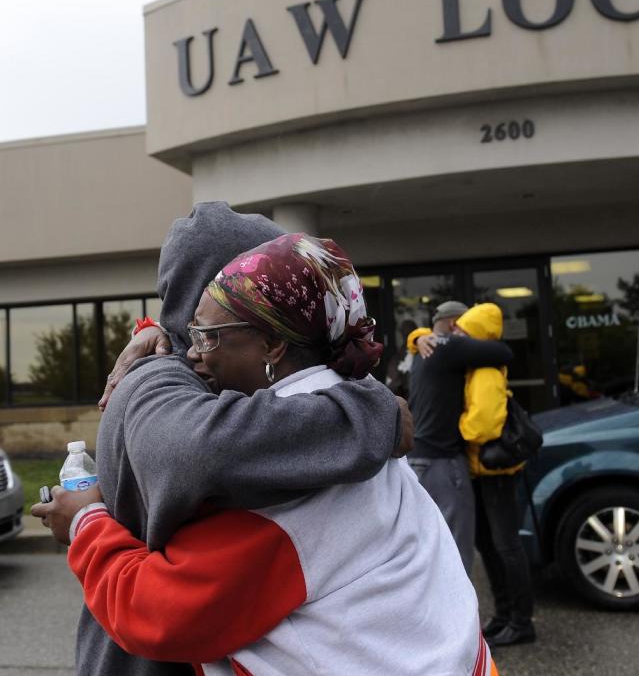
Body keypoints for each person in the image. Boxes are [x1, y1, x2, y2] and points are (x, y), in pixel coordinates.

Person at [37, 234, 495, 676]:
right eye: (190, 333)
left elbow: (155, 612)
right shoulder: (347, 402)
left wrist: (85, 523)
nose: (194, 353)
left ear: (273, 345)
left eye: (209, 336)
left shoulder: (289, 477)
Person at [406, 300, 513, 571]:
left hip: (418, 460)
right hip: (444, 463)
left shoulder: (423, 351)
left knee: (429, 547)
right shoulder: (450, 346)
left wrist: (416, 338)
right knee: (456, 550)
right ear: (456, 324)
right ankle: (458, 611)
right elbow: (504, 352)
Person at [455, 303, 537, 647]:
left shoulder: (486, 370)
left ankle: (521, 622)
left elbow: (483, 427)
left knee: (506, 546)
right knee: (489, 546)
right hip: (482, 470)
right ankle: (504, 616)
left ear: (477, 334)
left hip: (496, 471)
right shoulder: (476, 366)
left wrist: (454, 428)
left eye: (463, 331)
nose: (457, 337)